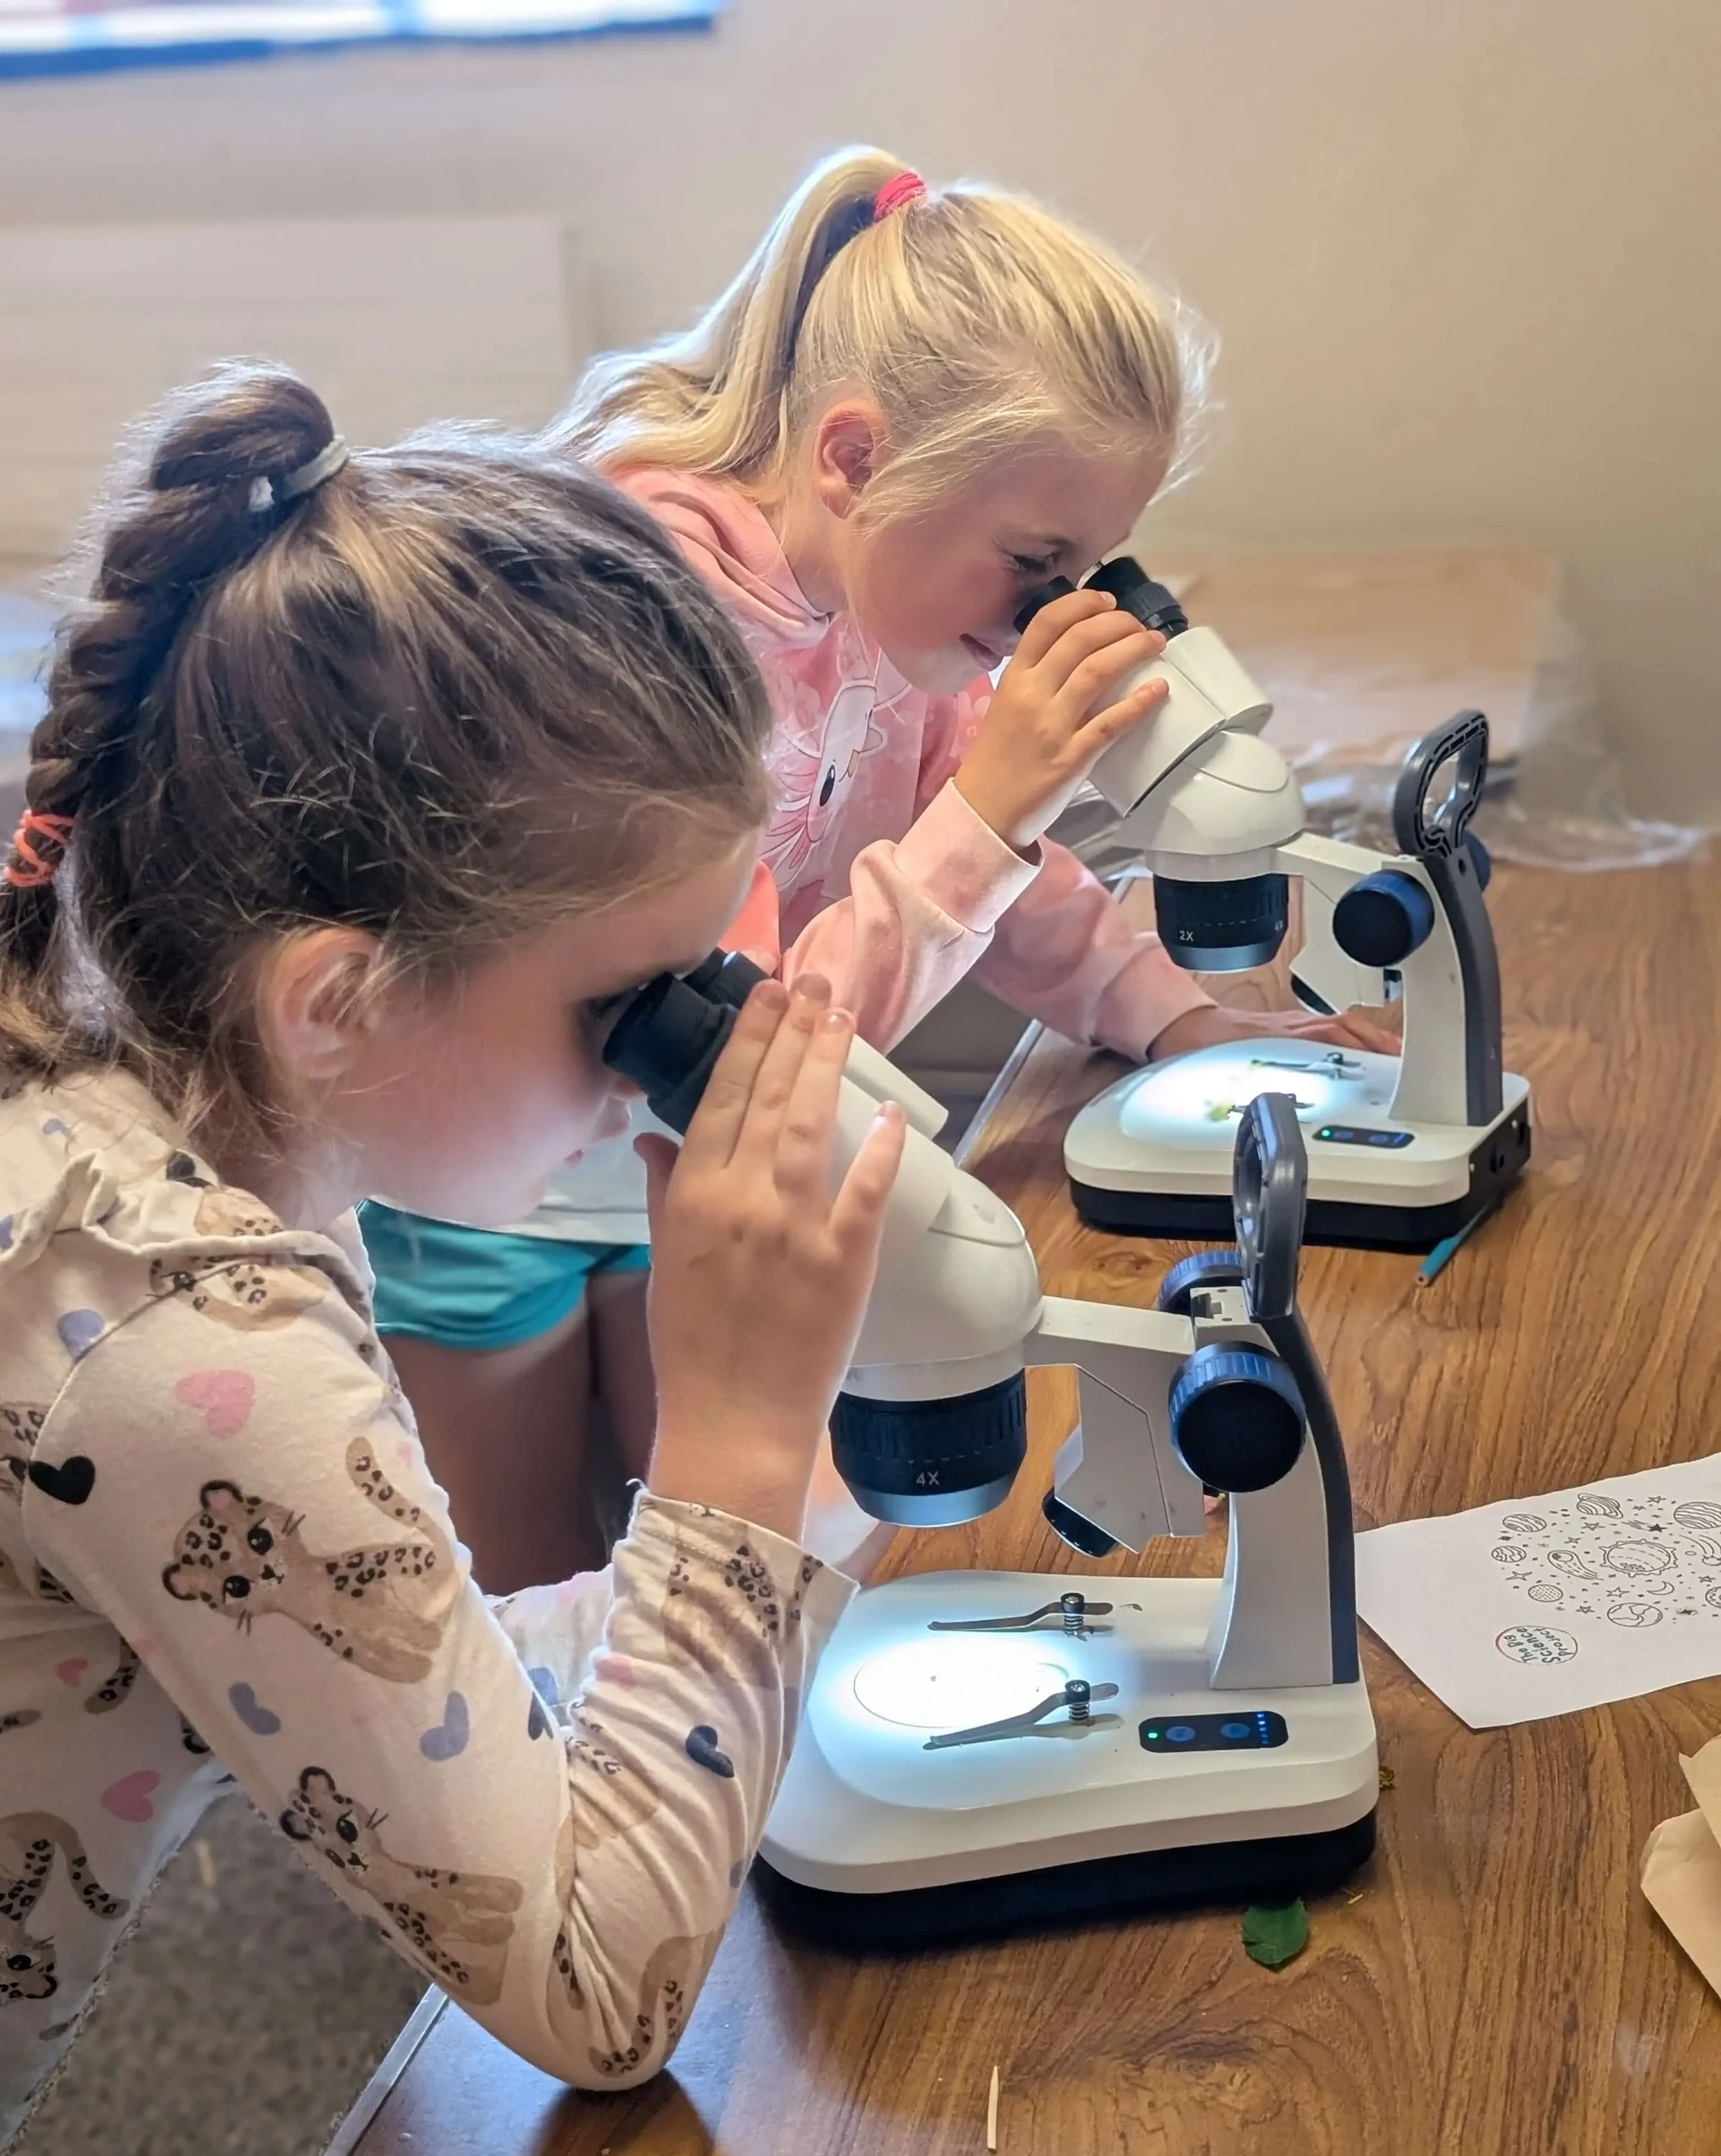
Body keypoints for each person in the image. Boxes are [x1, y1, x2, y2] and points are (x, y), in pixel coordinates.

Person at [0, 362, 905, 2150]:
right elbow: (598, 1994)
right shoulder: (196, 1341)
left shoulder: (155, 1091)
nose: (676, 1058)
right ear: (339, 1001)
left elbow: (385, 1640)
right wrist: (729, 1444)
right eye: (626, 1004)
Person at [366, 148, 1398, 1583]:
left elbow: (1013, 880)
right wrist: (987, 806)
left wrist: (1181, 1017)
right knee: (537, 1612)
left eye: (1090, 564)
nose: (1052, 608)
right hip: (495, 1188)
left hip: (698, 1185)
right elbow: (749, 1047)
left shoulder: (887, 592)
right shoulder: (633, 613)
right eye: (1035, 558)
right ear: (853, 458)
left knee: (740, 1572)